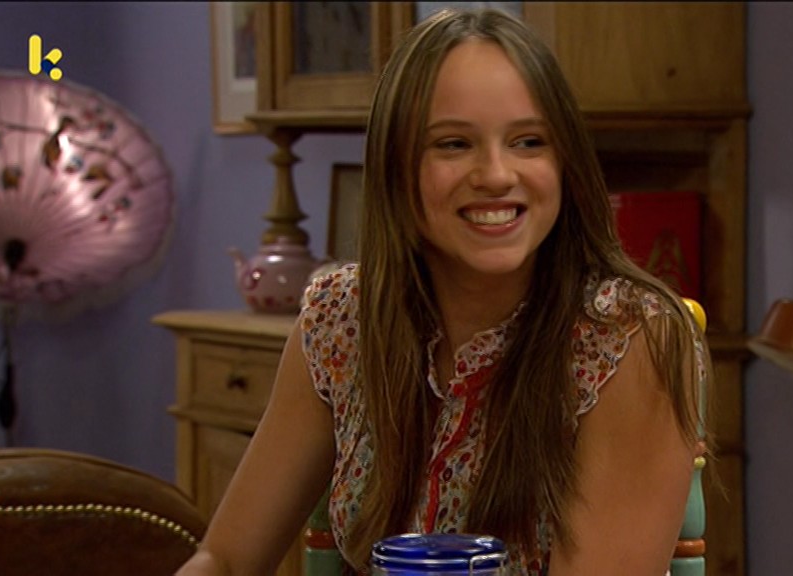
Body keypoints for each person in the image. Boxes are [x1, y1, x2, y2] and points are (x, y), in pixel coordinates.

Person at [176, 7, 710, 576]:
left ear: (566, 162)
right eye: (454, 144)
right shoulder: (342, 318)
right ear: (395, 166)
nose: (497, 174)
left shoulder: (628, 337)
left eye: (529, 141)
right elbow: (226, 559)